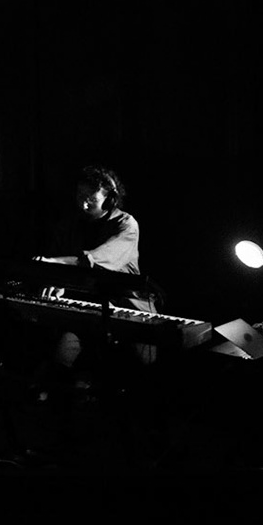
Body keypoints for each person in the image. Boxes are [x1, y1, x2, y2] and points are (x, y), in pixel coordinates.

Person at [31, 164, 161, 391]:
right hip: (85, 309)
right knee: (59, 359)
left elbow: (96, 261)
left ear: (109, 199)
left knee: (130, 367)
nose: (83, 203)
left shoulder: (126, 225)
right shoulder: (69, 225)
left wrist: (54, 263)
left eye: (90, 198)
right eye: (79, 196)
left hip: (125, 308)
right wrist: (55, 280)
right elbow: (55, 263)